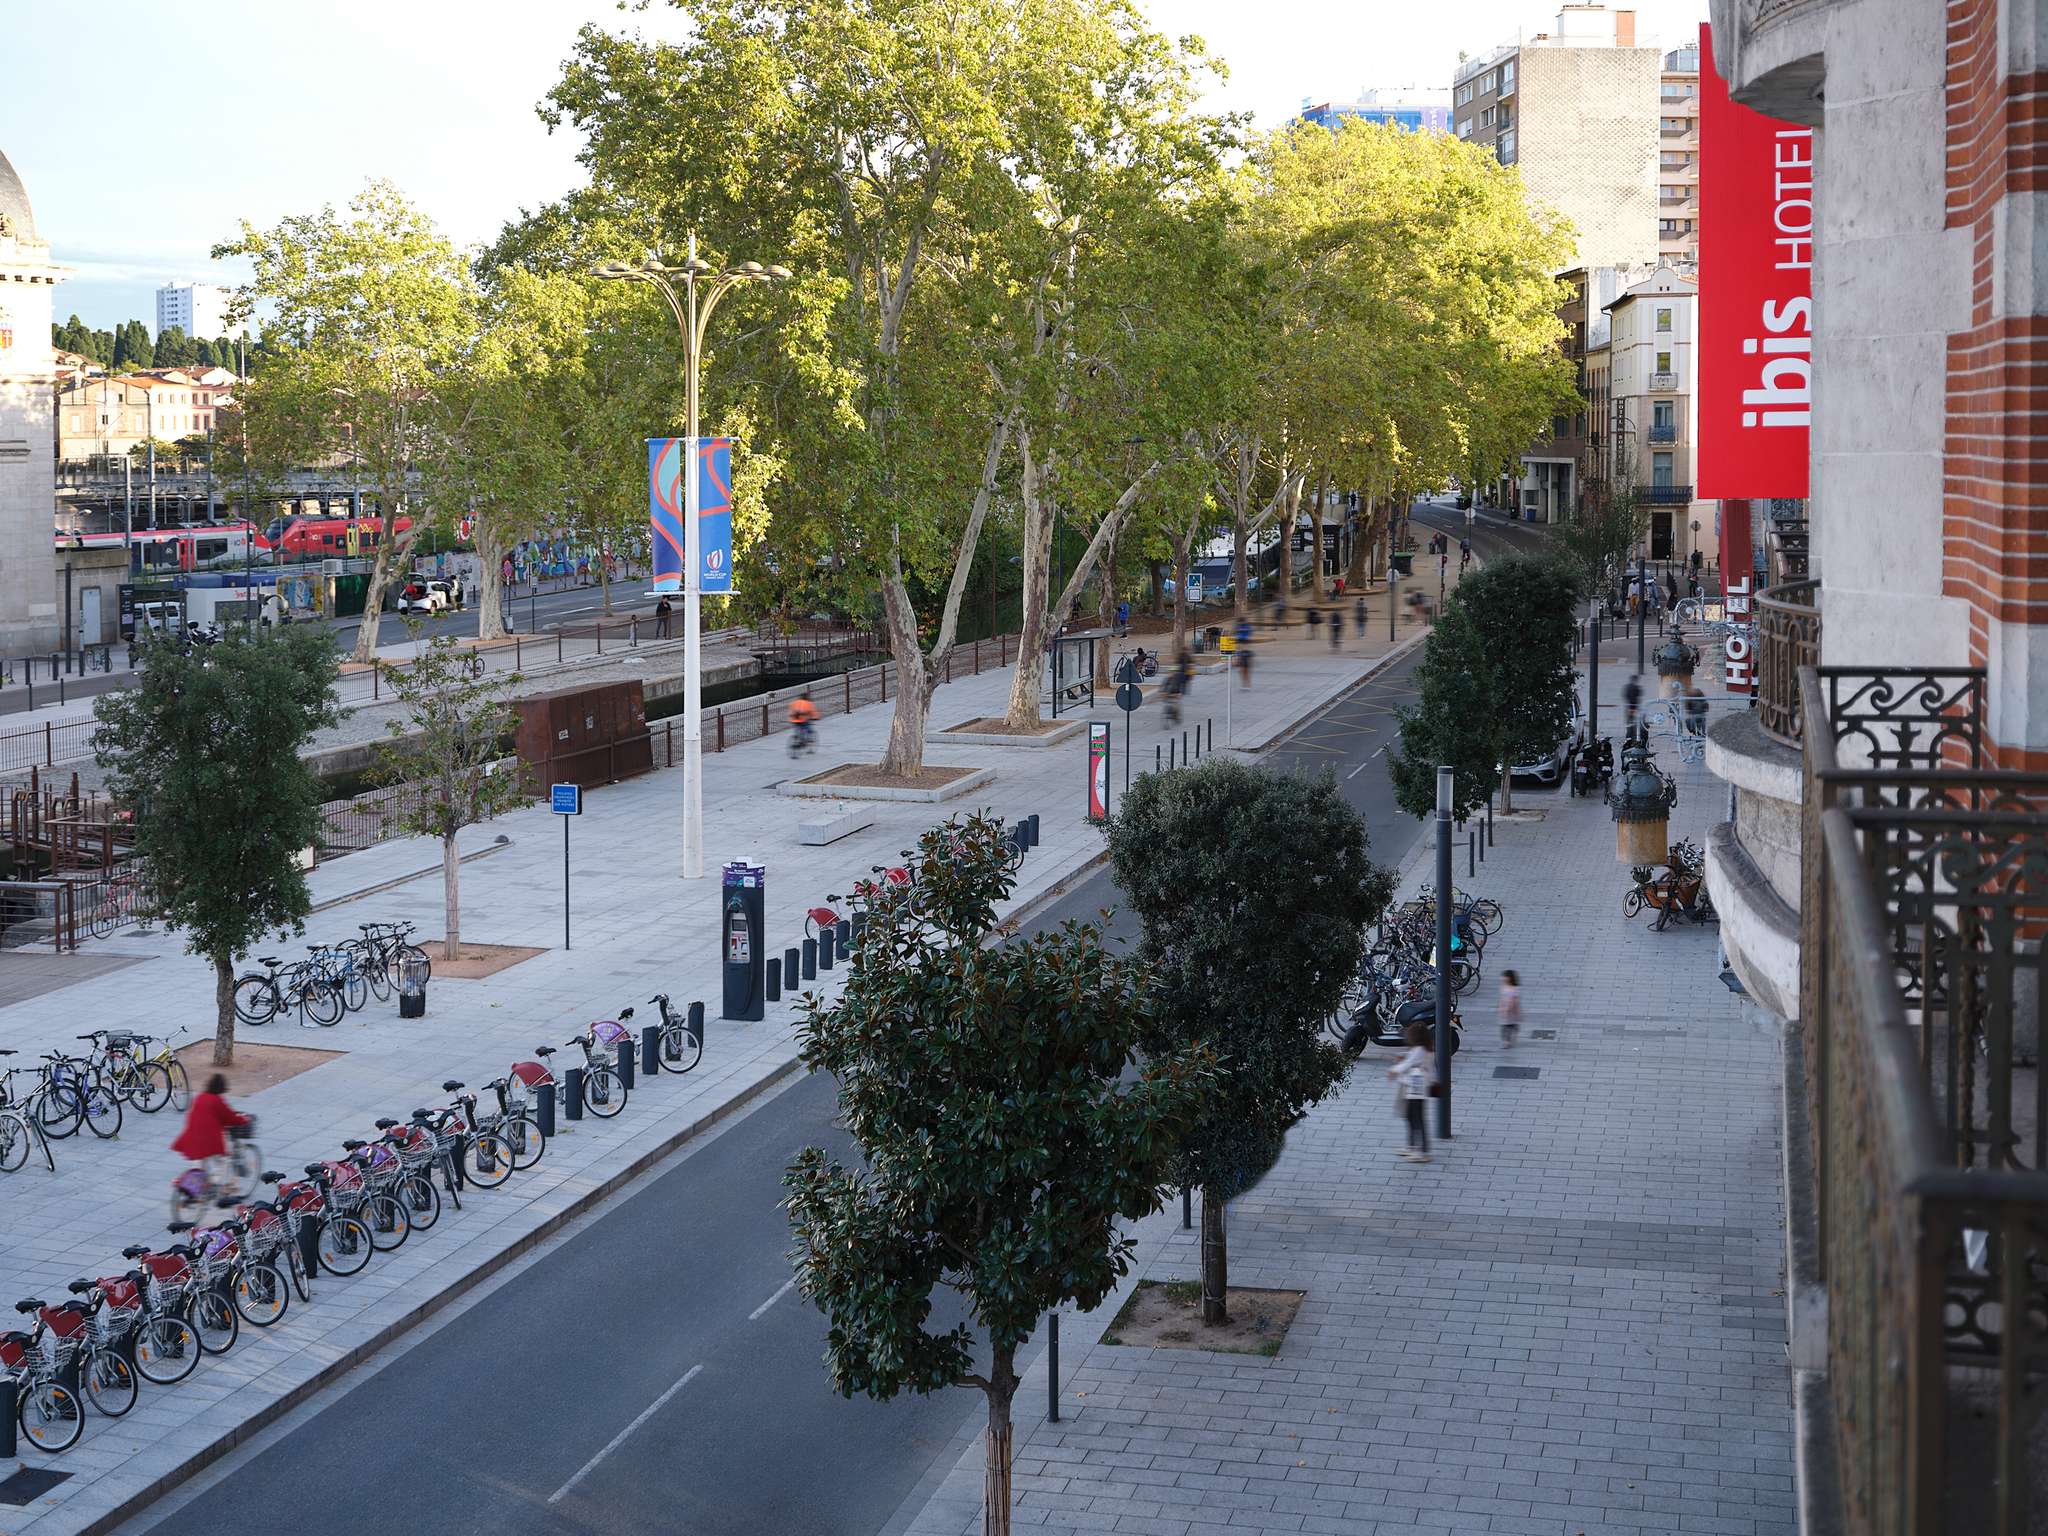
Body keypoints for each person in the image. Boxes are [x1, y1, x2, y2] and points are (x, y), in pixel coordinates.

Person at [171, 1075, 249, 1195]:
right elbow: (230, 1117)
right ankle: (213, 1184)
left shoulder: (200, 1097)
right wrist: (243, 1119)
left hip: (192, 1135)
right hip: (209, 1139)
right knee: (222, 1162)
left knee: (198, 1163)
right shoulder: (217, 1100)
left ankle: (189, 1185)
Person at [1387, 1022, 1434, 1163]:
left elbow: (1408, 1064)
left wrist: (1393, 1070)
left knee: (1416, 1118)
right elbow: (1411, 1059)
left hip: (1415, 1088)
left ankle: (1422, 1151)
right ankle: (1413, 1146)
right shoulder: (1424, 1049)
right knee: (1412, 1117)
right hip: (1415, 1087)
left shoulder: (1420, 1050)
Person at [788, 690, 818, 755]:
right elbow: (812, 712)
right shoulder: (808, 703)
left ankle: (796, 739)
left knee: (798, 731)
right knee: (809, 730)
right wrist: (816, 717)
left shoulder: (794, 703)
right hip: (803, 720)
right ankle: (808, 745)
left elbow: (791, 712)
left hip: (794, 720)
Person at [1499, 968, 1522, 1047]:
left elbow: (1515, 1001)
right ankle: (1506, 1040)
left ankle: (1507, 1041)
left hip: (1511, 1011)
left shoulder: (1514, 989)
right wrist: (1501, 1007)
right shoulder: (1504, 987)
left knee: (1509, 1025)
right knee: (1505, 1026)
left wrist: (1511, 1009)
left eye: (1505, 977)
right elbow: (1502, 998)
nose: (1503, 978)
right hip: (1505, 1010)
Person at [1622, 672, 1644, 744]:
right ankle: (1633, 737)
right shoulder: (1636, 688)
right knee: (1636, 723)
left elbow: (1624, 695)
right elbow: (1640, 694)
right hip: (1634, 707)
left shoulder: (1627, 687)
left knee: (1629, 722)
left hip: (1629, 706)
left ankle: (1628, 737)